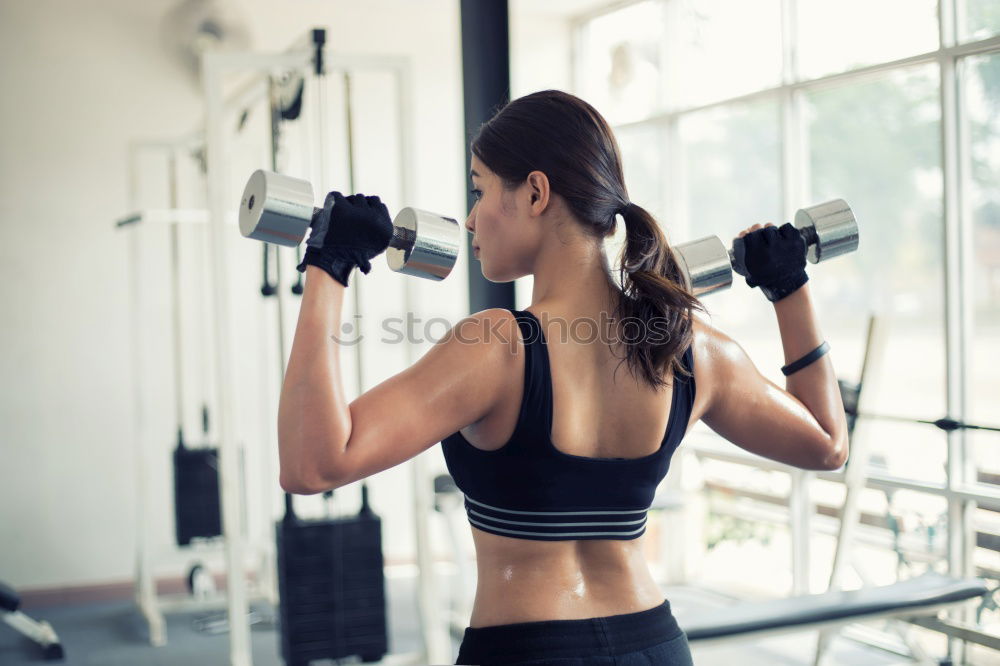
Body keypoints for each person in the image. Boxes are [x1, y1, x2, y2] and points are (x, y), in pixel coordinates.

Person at [278, 89, 850, 665]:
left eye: (480, 191)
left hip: (527, 651)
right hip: (652, 646)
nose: (472, 218)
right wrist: (788, 287)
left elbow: (313, 464)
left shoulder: (494, 346)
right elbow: (828, 445)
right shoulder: (690, 349)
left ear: (534, 192)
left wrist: (329, 265)